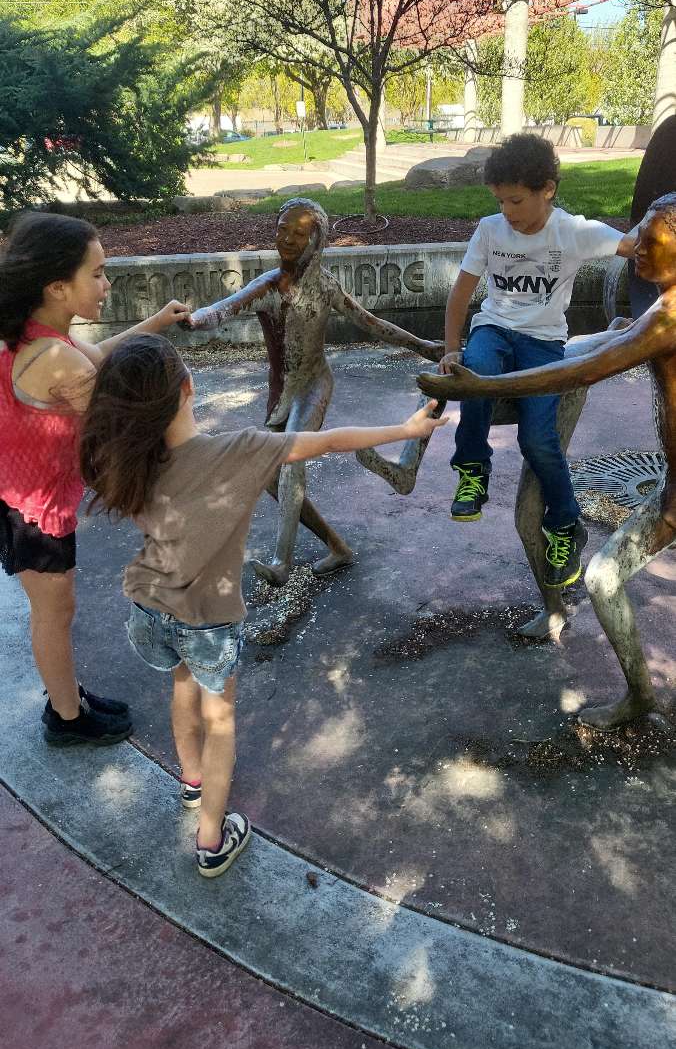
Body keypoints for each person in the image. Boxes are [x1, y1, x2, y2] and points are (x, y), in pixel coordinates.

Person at [80, 333, 448, 876]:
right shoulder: (241, 451)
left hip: (150, 608)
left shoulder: (130, 461)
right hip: (207, 618)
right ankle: (211, 839)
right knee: (221, 721)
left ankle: (191, 780)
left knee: (182, 685)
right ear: (188, 388)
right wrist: (406, 429)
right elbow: (327, 440)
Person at [418, 194, 676, 730]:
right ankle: (560, 598)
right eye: (640, 239)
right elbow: (615, 339)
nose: (639, 251)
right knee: (529, 515)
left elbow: (583, 371)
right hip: (668, 481)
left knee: (601, 572)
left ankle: (639, 694)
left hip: (560, 379)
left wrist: (481, 387)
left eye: (653, 241)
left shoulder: (666, 316)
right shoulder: (659, 308)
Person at [0, 211, 194, 746]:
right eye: (99, 273)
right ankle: (66, 720)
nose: (107, 284)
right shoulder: (58, 360)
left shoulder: (38, 335)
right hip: (35, 512)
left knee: (54, 609)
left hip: (18, 498)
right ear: (59, 287)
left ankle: (66, 695)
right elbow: (117, 438)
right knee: (54, 612)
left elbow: (97, 360)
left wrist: (153, 325)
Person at [183, 197, 443, 587]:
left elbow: (369, 323)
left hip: (315, 384)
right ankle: (337, 546)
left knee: (290, 459)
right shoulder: (269, 286)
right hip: (281, 394)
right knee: (270, 476)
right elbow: (225, 308)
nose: (286, 239)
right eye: (282, 229)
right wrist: (193, 319)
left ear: (316, 241)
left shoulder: (325, 286)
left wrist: (423, 346)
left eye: (298, 233)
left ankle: (281, 561)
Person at [435, 133, 636, 589]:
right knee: (476, 375)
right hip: (493, 329)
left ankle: (566, 524)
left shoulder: (572, 232)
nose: (508, 210)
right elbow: (462, 293)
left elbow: (634, 245)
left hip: (544, 343)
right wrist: (451, 347)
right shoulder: (490, 230)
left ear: (548, 189)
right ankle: (472, 470)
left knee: (539, 439)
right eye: (501, 200)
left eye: (516, 200)